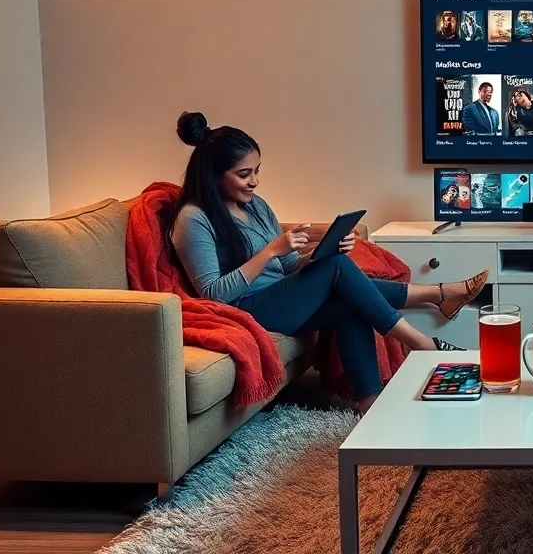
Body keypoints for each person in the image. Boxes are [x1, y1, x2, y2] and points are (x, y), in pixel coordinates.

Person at [166, 112, 489, 413]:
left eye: (257, 171)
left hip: (281, 298)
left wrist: (325, 252)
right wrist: (269, 252)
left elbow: (291, 266)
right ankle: (422, 340)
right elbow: (212, 294)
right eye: (244, 174)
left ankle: (370, 404)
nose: (254, 182)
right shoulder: (193, 219)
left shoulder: (256, 206)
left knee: (347, 293)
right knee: (337, 272)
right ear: (213, 176)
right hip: (246, 308)